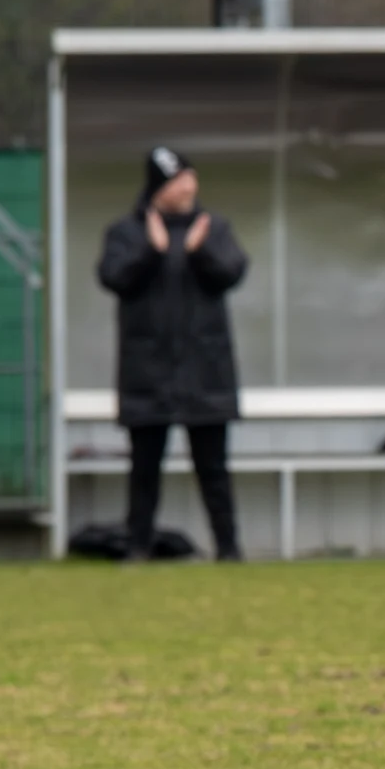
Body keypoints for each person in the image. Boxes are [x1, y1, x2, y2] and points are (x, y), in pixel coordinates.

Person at [96, 147, 249, 561]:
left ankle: (229, 549)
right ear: (157, 188)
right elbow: (113, 277)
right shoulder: (127, 233)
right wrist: (153, 251)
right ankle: (139, 547)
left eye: (189, 177)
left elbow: (233, 272)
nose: (187, 186)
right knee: (144, 468)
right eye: (177, 180)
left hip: (206, 371)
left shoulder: (213, 228)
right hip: (147, 372)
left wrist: (200, 252)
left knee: (213, 468)